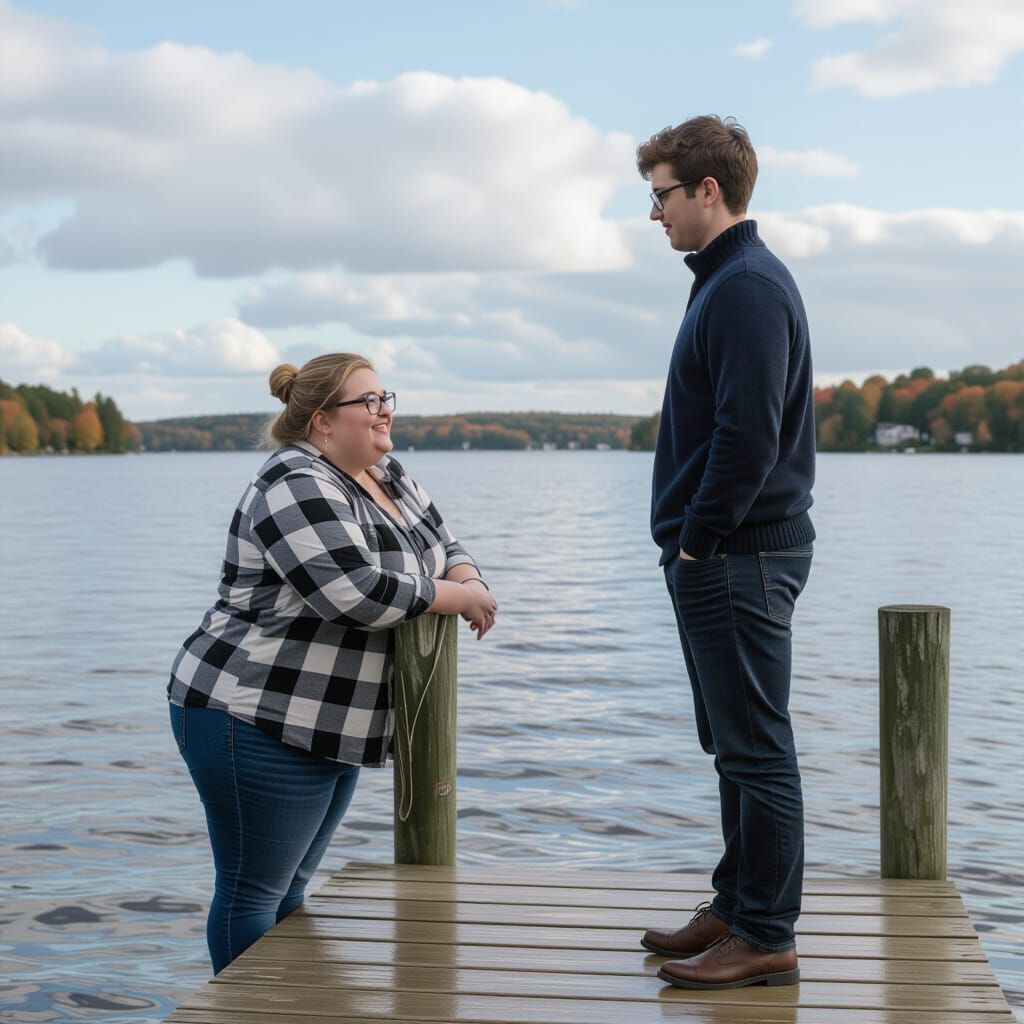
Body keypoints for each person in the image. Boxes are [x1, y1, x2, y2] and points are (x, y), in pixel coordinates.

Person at [167, 352, 497, 973]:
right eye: (368, 401)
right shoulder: (293, 482)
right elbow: (353, 592)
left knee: (289, 891)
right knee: (253, 892)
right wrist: (457, 597)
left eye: (385, 397)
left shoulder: (387, 474)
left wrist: (469, 577)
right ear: (322, 419)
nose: (384, 411)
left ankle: (285, 1003)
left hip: (325, 721)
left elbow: (447, 544)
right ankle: (248, 1014)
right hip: (252, 713)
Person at [635, 116, 816, 990]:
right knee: (733, 743)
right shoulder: (724, 281)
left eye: (662, 195)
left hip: (737, 555)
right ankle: (739, 905)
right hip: (724, 554)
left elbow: (749, 437)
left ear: (709, 190)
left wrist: (699, 544)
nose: (655, 213)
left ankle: (766, 936)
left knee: (755, 748)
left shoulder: (744, 287)